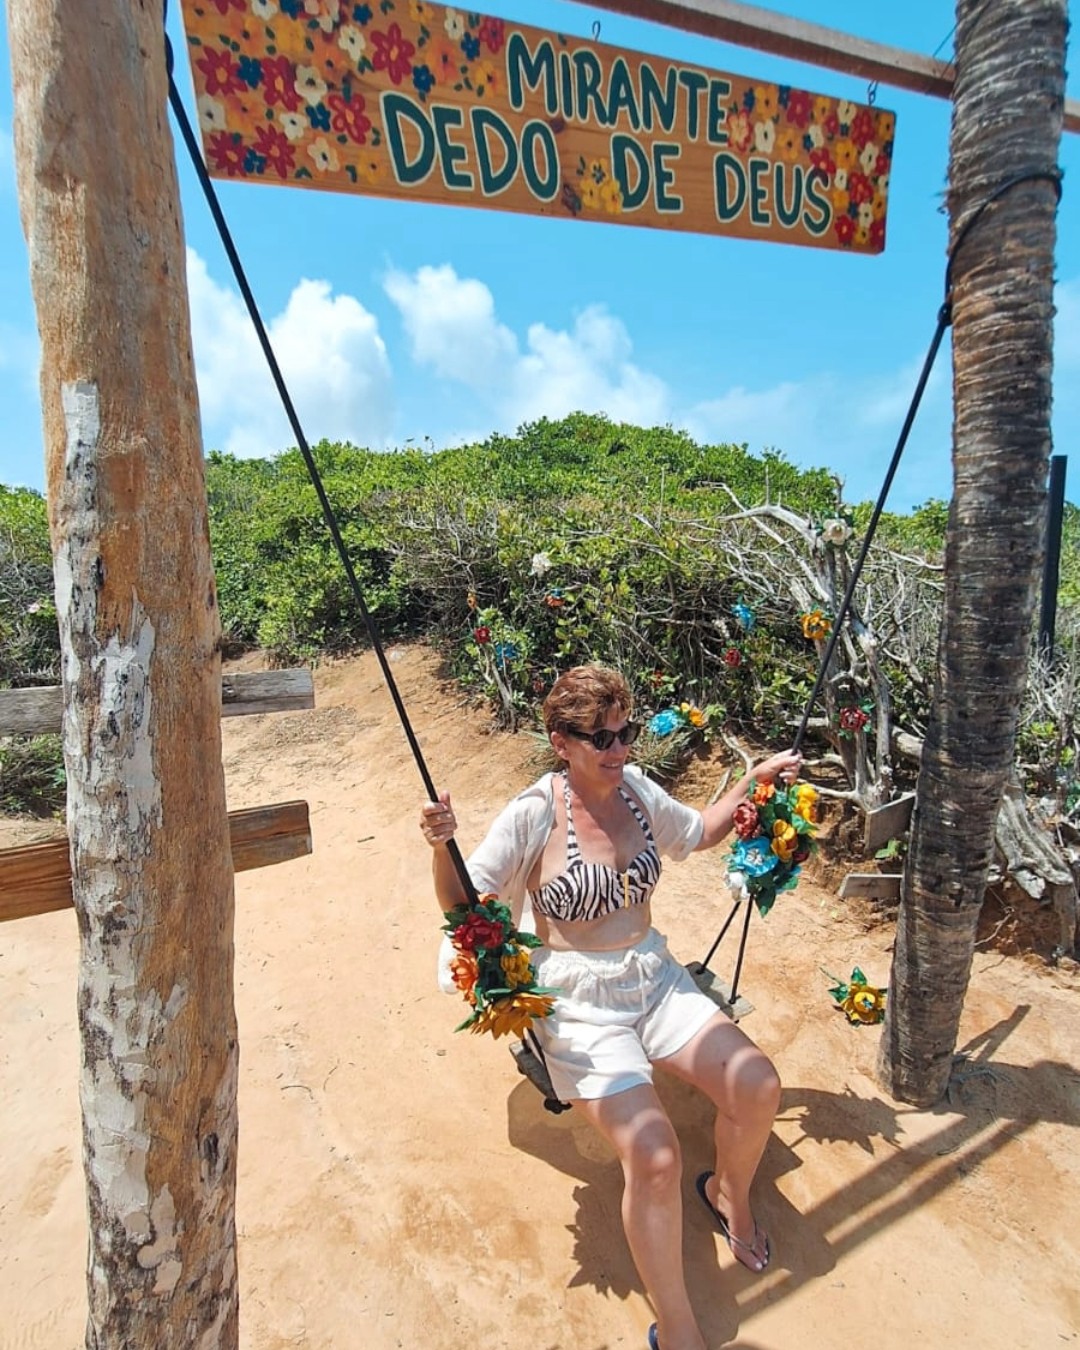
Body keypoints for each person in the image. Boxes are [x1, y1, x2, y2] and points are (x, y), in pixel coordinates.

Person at [419, 665, 802, 1350]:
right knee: (654, 1155)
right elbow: (463, 905)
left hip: (652, 977)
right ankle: (678, 1327)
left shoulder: (637, 791)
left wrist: (758, 781)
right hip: (577, 1000)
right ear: (561, 741)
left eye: (624, 733)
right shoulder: (535, 812)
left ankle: (728, 1195)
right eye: (601, 738)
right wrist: (439, 843)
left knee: (759, 1085)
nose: (619, 749)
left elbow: (702, 831)